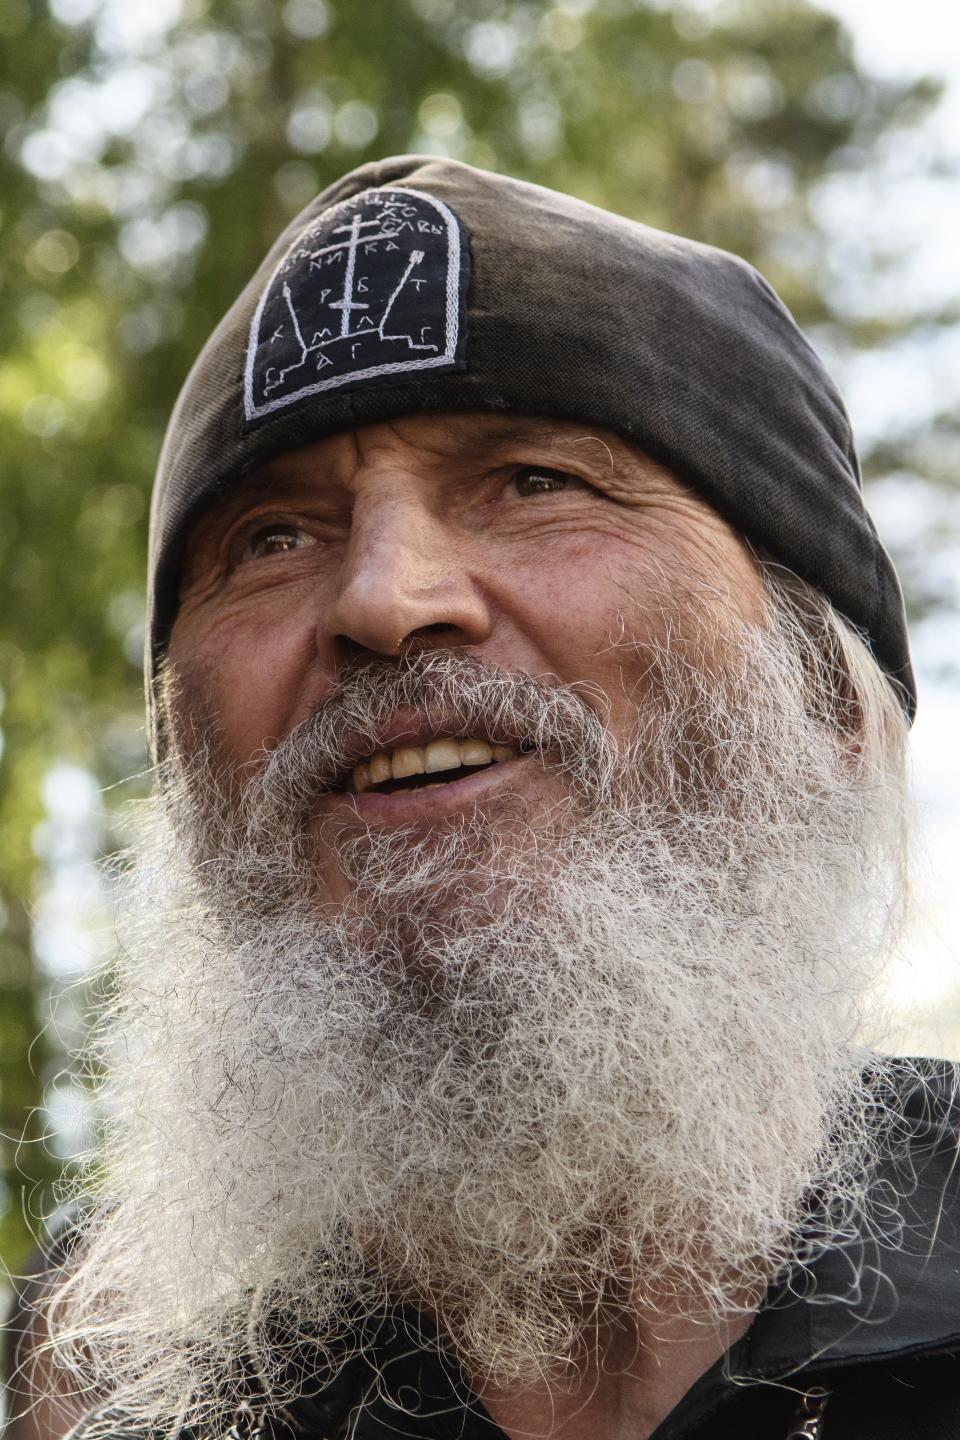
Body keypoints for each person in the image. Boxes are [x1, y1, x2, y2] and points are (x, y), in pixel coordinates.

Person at [41, 156, 960, 1440]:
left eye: (535, 482)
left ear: (826, 691)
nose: (382, 596)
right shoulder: (89, 1384)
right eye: (272, 539)